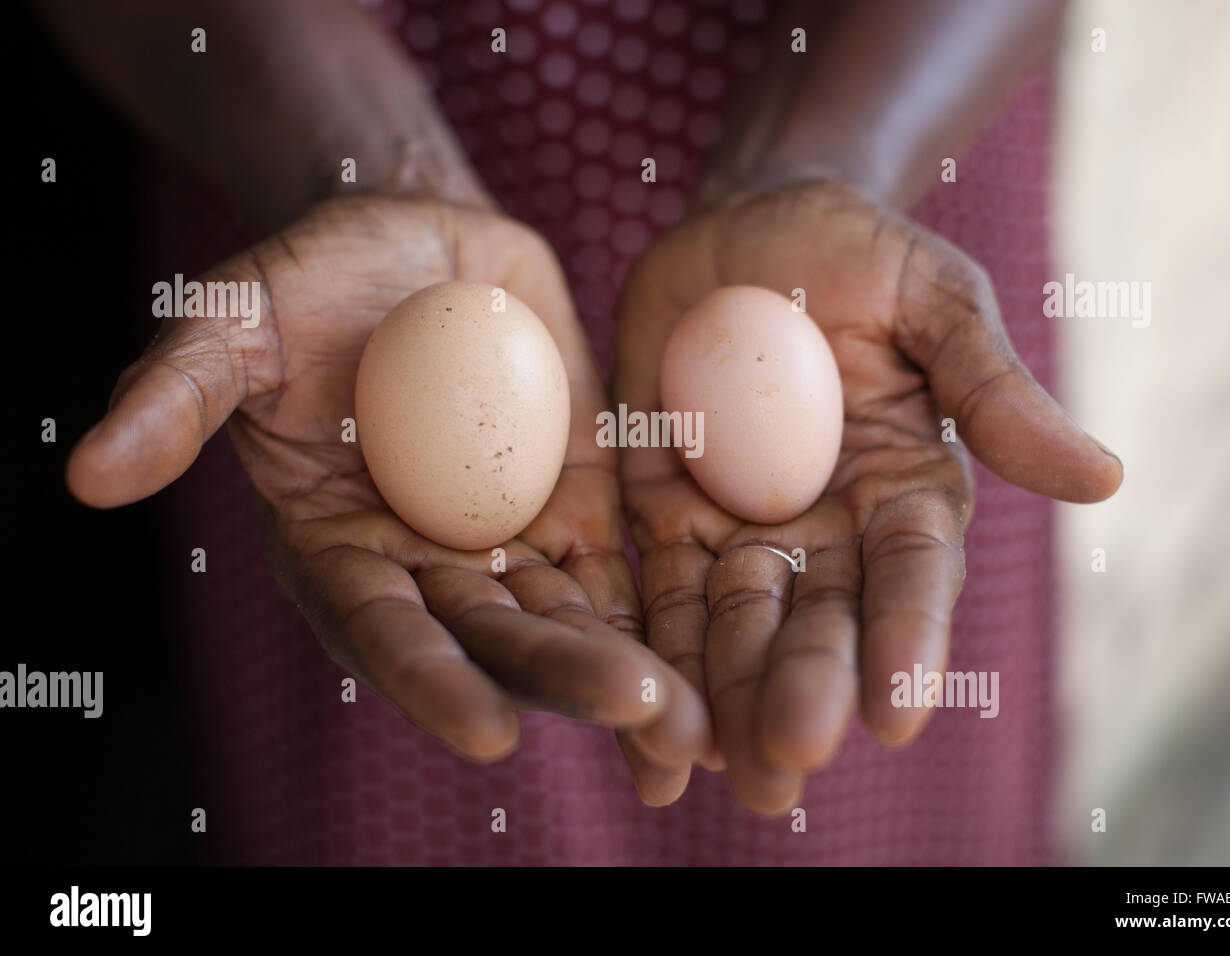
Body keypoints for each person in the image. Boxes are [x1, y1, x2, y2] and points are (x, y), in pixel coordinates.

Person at [45, 0, 1120, 863]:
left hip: (863, 191)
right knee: (426, 740)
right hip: (318, 247)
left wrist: (823, 164)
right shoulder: (368, 346)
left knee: (848, 731)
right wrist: (367, 165)